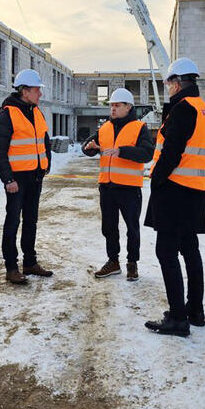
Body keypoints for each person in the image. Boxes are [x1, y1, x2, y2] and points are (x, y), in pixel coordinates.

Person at [143, 58, 205, 337]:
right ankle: (194, 310)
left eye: (168, 83)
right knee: (190, 250)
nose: (168, 88)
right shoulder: (203, 108)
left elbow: (172, 151)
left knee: (166, 252)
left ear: (176, 82)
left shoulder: (183, 108)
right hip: (193, 189)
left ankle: (177, 317)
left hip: (174, 189)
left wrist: (157, 178)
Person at [82, 88, 154, 281]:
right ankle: (113, 261)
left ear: (128, 107)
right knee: (109, 227)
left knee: (132, 228)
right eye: (111, 106)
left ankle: (132, 263)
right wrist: (90, 148)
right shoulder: (105, 128)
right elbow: (87, 147)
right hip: (107, 187)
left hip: (129, 188)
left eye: (117, 105)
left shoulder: (139, 128)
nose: (112, 109)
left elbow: (147, 154)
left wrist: (122, 151)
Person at [0, 69, 53, 284]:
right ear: (24, 91)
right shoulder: (6, 115)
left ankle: (30, 262)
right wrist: (8, 179)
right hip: (17, 179)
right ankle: (11, 267)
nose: (40, 94)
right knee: (13, 221)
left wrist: (46, 164)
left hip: (35, 176)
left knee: (31, 221)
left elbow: (44, 140)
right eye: (36, 90)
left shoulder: (37, 112)